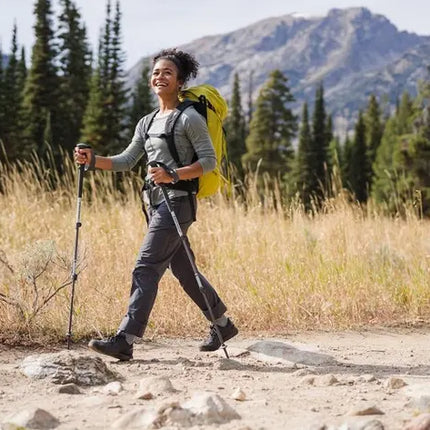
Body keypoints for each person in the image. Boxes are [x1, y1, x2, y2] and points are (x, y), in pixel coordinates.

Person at [74, 48, 238, 361]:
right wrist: (92, 160)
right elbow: (126, 160)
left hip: (178, 203)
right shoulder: (147, 122)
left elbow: (208, 161)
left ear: (179, 82)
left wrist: (172, 173)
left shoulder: (189, 118)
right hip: (154, 205)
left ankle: (126, 337)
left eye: (167, 73)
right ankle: (222, 324)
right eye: (155, 73)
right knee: (185, 270)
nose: (159, 77)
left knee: (145, 266)